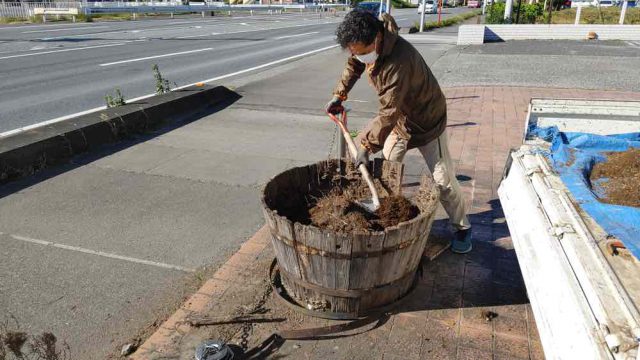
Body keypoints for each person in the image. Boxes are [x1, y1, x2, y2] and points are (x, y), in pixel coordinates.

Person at [325, 9, 472, 253]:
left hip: (427, 122)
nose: (358, 57)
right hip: (402, 121)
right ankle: (388, 211)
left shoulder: (398, 61)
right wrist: (339, 94)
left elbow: (388, 111)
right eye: (354, 51)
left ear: (377, 40)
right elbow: (354, 64)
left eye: (362, 52)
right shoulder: (367, 45)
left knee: (443, 180)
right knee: (389, 168)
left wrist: (366, 146)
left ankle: (462, 227)